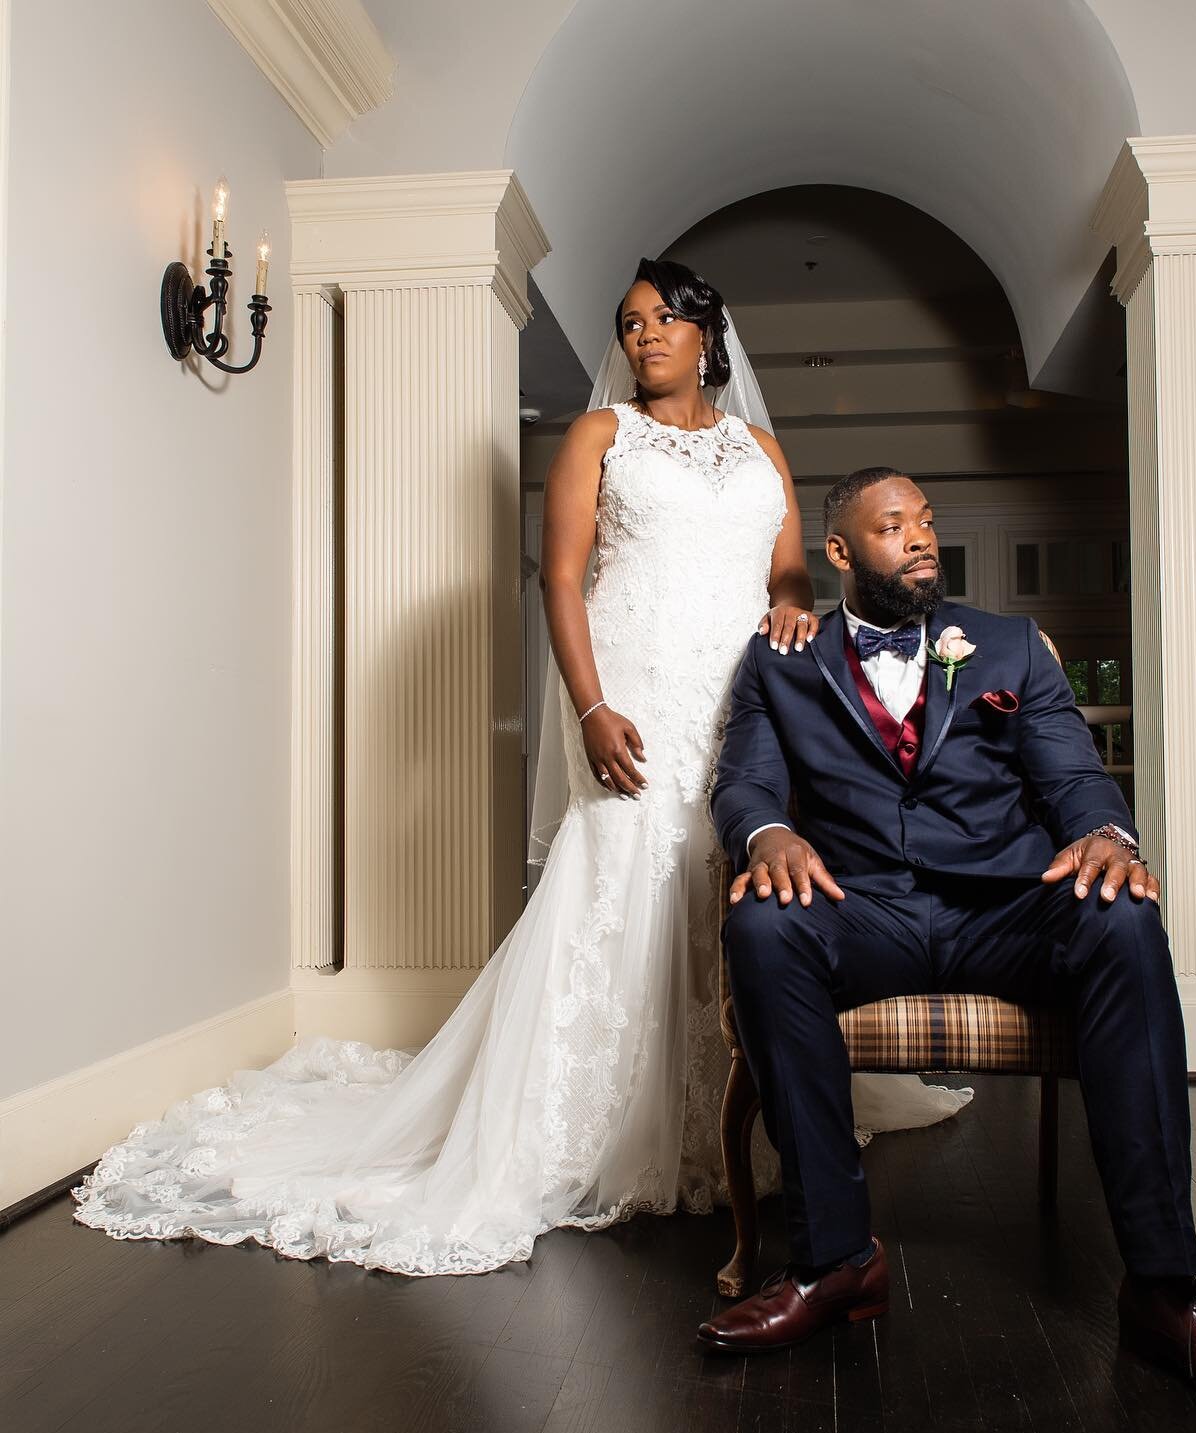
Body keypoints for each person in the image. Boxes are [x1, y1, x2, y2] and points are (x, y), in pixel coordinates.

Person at [70, 263, 966, 1275]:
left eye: (664, 318)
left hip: (742, 704)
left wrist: (798, 607)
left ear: (709, 332)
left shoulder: (760, 446)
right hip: (635, 692)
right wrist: (589, 706)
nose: (644, 337)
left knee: (730, 890)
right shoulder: (599, 436)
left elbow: (789, 574)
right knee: (625, 884)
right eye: (629, 324)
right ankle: (596, 1129)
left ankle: (750, 1109)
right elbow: (565, 576)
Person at [698, 466, 1196, 1420]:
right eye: (893, 525)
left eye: (926, 521)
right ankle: (834, 1262)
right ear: (838, 553)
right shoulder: (781, 660)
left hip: (1005, 907)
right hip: (866, 909)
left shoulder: (1009, 647)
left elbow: (1073, 776)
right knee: (763, 923)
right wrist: (767, 834)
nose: (919, 538)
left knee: (1122, 917)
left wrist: (1106, 839)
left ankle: (1165, 1289)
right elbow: (742, 781)